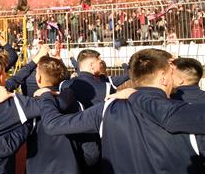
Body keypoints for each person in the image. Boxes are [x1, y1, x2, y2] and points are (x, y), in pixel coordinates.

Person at [39, 48, 205, 173]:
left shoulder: (106, 108)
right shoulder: (189, 113)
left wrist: (46, 94)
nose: (173, 80)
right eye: (171, 74)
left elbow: (53, 125)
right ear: (162, 76)